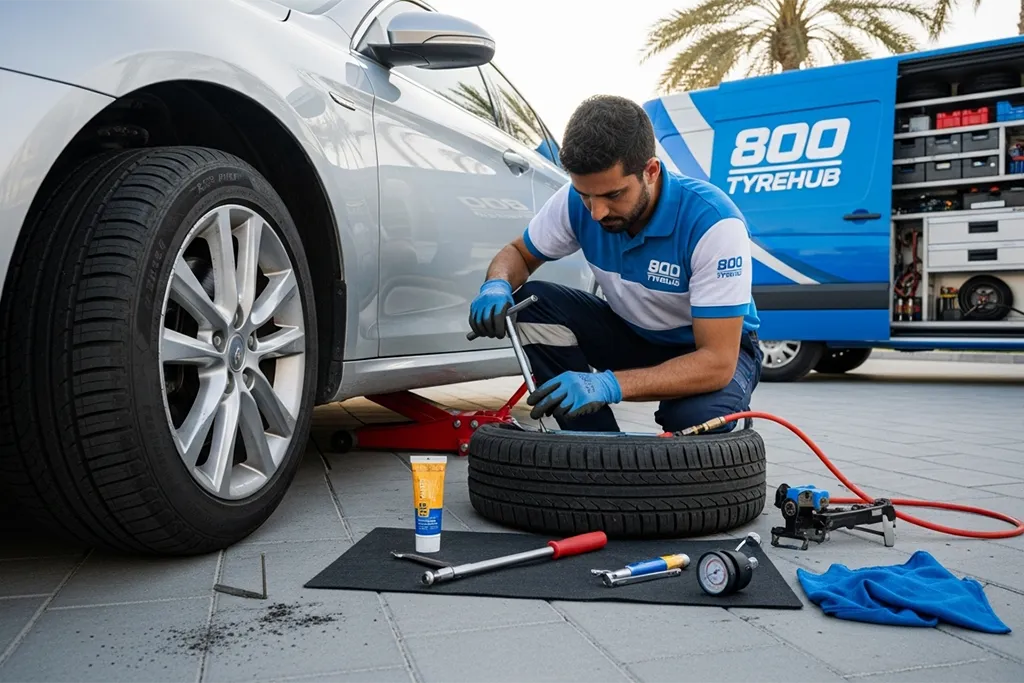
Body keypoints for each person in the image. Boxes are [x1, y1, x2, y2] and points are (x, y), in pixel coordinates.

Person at [468, 94, 762, 434]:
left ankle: (729, 415)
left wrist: (609, 384)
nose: (596, 213)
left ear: (650, 171)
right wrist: (497, 283)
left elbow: (717, 362)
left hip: (707, 350)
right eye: (585, 195)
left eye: (613, 195)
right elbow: (518, 253)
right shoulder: (573, 202)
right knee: (533, 303)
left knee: (695, 421)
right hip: (634, 333)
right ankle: (595, 444)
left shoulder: (712, 223)